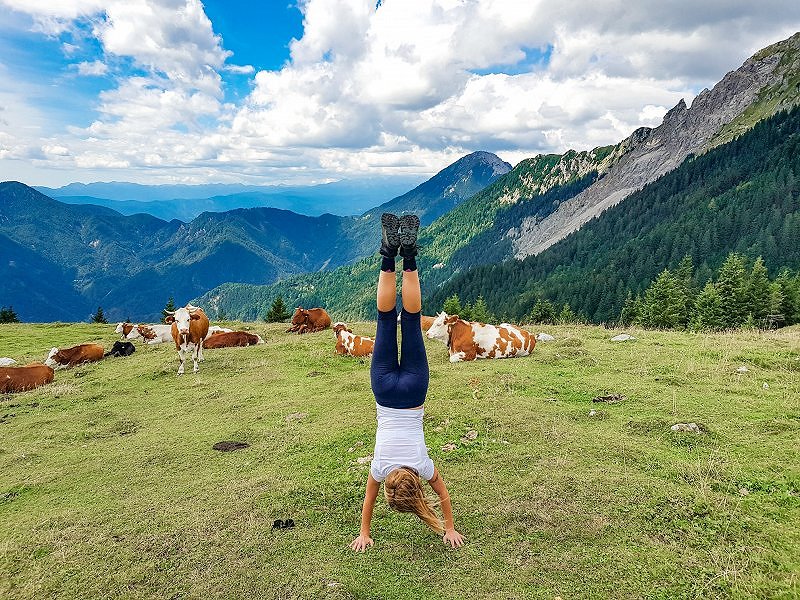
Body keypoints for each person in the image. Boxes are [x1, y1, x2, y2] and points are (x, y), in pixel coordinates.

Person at [349, 213, 466, 552]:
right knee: (386, 320)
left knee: (412, 321)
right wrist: (364, 533)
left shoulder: (422, 464)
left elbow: (443, 495)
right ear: (391, 486)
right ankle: (389, 254)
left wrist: (449, 528)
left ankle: (409, 255)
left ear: (416, 485)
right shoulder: (380, 466)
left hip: (414, 391)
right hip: (384, 391)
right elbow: (368, 503)